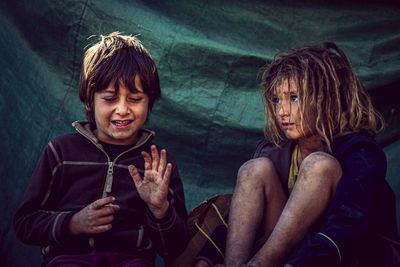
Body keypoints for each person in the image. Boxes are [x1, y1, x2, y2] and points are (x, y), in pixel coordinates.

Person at [197, 42, 398, 267]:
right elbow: (239, 220)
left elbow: (348, 225)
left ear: (325, 98)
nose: (282, 111)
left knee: (319, 165)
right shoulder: (275, 152)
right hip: (290, 252)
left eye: (293, 97)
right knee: (254, 169)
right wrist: (207, 259)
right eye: (276, 100)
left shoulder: (360, 153)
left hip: (346, 256)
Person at [13, 32, 188, 267]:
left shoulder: (157, 165)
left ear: (150, 102)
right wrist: (72, 223)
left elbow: (175, 247)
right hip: (67, 260)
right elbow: (25, 223)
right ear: (89, 101)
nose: (123, 109)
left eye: (134, 99)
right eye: (110, 98)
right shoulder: (61, 153)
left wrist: (160, 208)